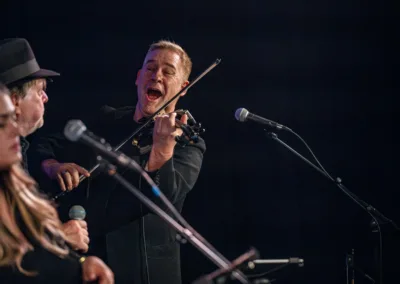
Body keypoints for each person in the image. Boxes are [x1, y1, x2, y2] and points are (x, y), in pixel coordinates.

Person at [33, 40, 206, 283]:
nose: (156, 76)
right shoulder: (108, 119)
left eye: (168, 71)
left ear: (183, 87)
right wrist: (52, 166)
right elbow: (42, 144)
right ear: (138, 77)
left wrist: (162, 148)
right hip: (91, 267)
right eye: (150, 68)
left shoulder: (188, 143)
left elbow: (165, 196)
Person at [0, 83, 114, 284]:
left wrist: (81, 264)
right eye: (2, 123)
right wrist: (58, 239)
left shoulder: (14, 183)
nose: (14, 127)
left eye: (11, 118)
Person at [0, 38, 90, 253]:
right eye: (40, 91)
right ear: (15, 102)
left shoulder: (19, 150)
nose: (46, 98)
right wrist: (57, 236)